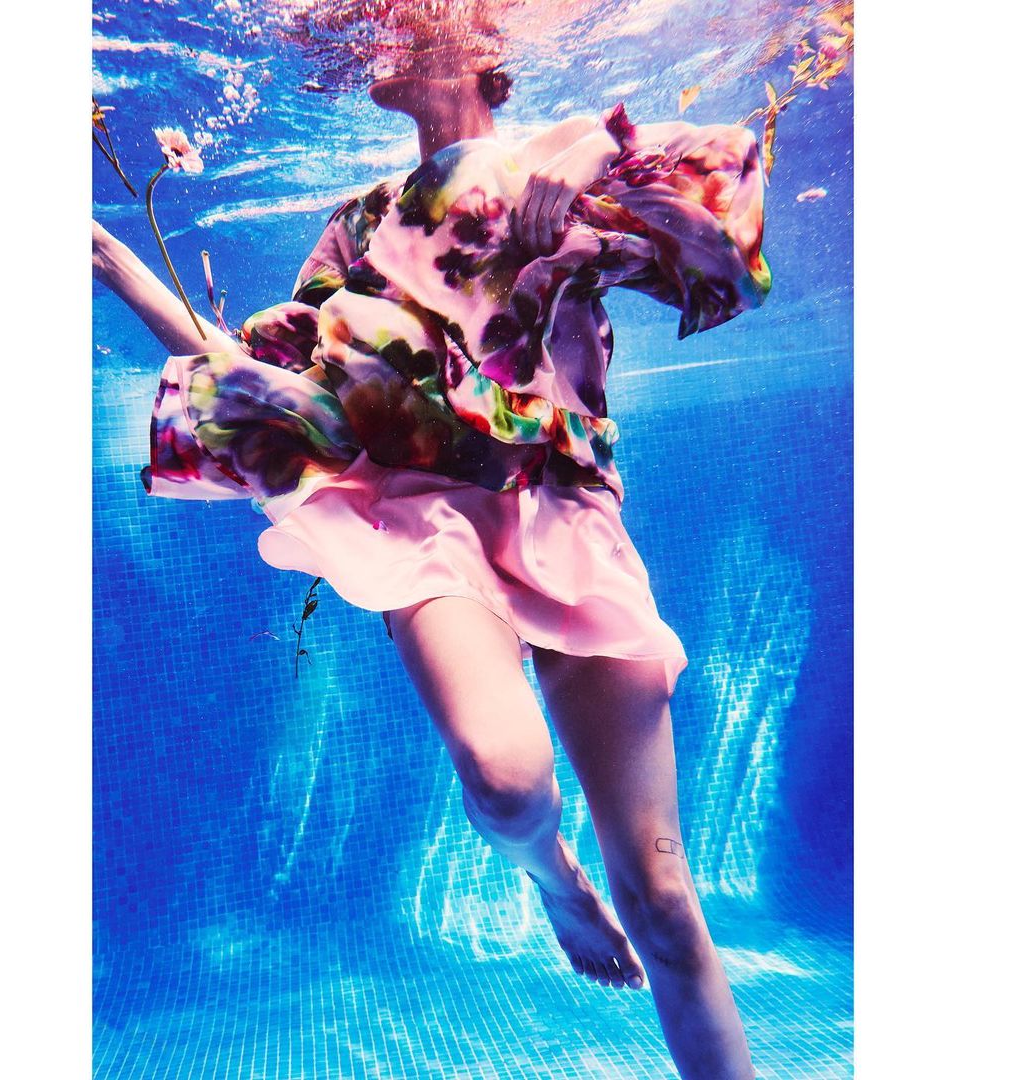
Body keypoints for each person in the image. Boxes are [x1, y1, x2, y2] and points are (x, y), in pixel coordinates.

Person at [93, 38, 770, 1080]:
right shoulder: (359, 225)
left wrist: (594, 154)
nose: (396, 33)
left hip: (567, 511)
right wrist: (127, 277)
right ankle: (548, 877)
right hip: (427, 518)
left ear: (492, 58)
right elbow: (281, 388)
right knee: (506, 783)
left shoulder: (575, 162)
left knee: (669, 904)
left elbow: (731, 253)